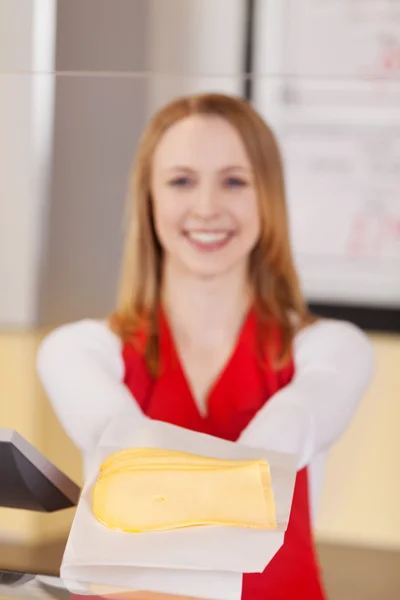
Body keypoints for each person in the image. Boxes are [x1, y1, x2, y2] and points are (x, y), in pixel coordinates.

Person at [37, 93, 375, 599]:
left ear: (269, 198)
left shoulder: (332, 348)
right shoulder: (79, 350)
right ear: (148, 200)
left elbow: (287, 433)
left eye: (235, 181)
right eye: (181, 181)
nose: (207, 207)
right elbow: (129, 450)